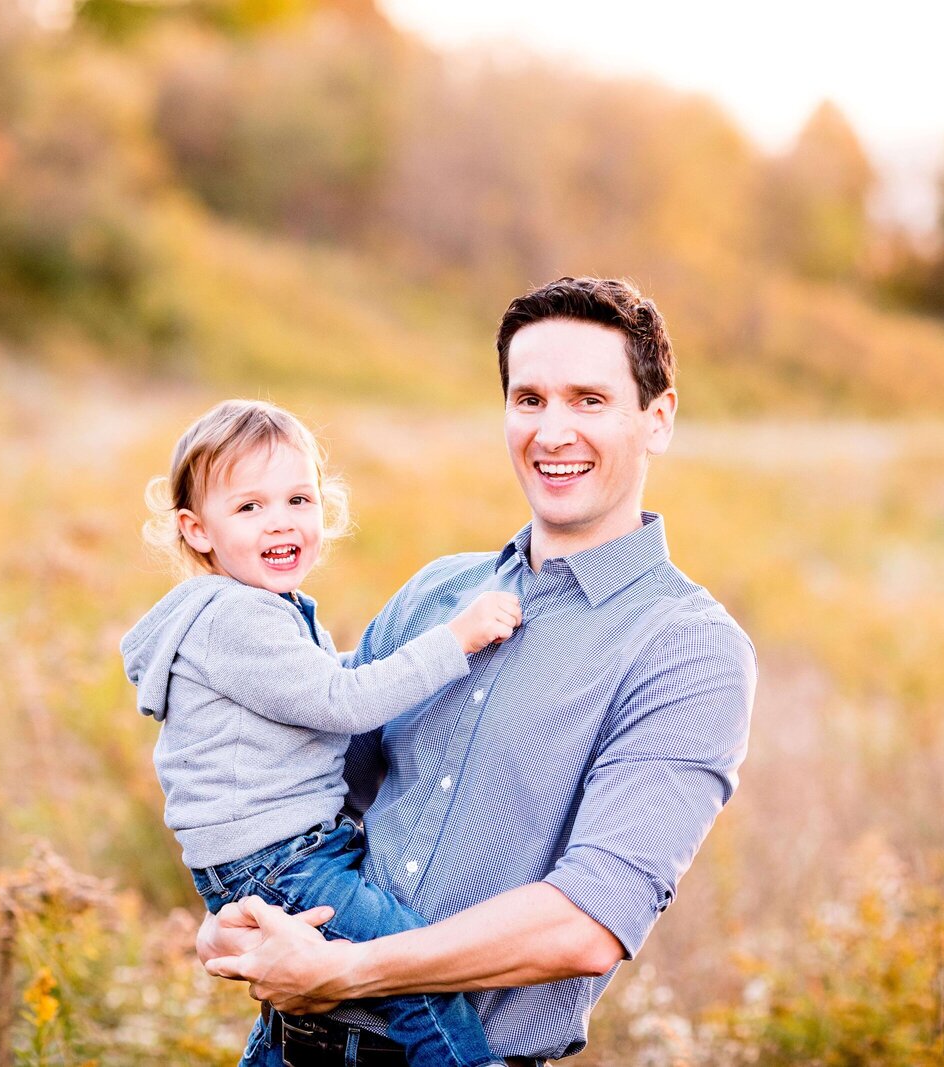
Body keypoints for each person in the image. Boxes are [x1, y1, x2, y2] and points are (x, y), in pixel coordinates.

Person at [197, 276, 759, 1066]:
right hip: (288, 1046)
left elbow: (588, 923)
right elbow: (302, 793)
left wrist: (348, 969)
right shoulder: (436, 595)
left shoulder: (685, 646)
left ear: (656, 418)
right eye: (528, 400)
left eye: (589, 400)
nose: (553, 431)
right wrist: (227, 921)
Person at [120, 398, 524, 1067]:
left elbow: (311, 691)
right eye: (249, 507)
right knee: (415, 972)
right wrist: (456, 638)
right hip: (284, 861)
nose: (280, 520)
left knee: (321, 1001)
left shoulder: (258, 610)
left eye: (298, 498)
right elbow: (341, 700)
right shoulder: (236, 618)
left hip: (278, 855)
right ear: (197, 530)